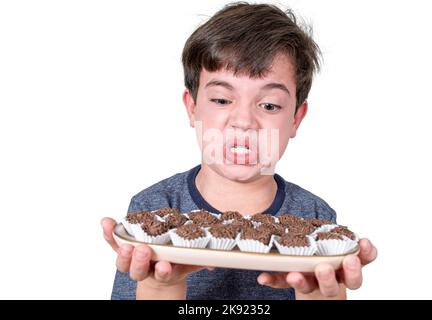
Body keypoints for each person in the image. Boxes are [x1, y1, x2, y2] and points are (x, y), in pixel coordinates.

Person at [101, 2, 377, 300]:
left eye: (269, 105)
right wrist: (161, 285)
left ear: (296, 118)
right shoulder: (152, 210)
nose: (244, 121)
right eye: (221, 100)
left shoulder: (316, 220)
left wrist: (321, 295)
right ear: (192, 107)